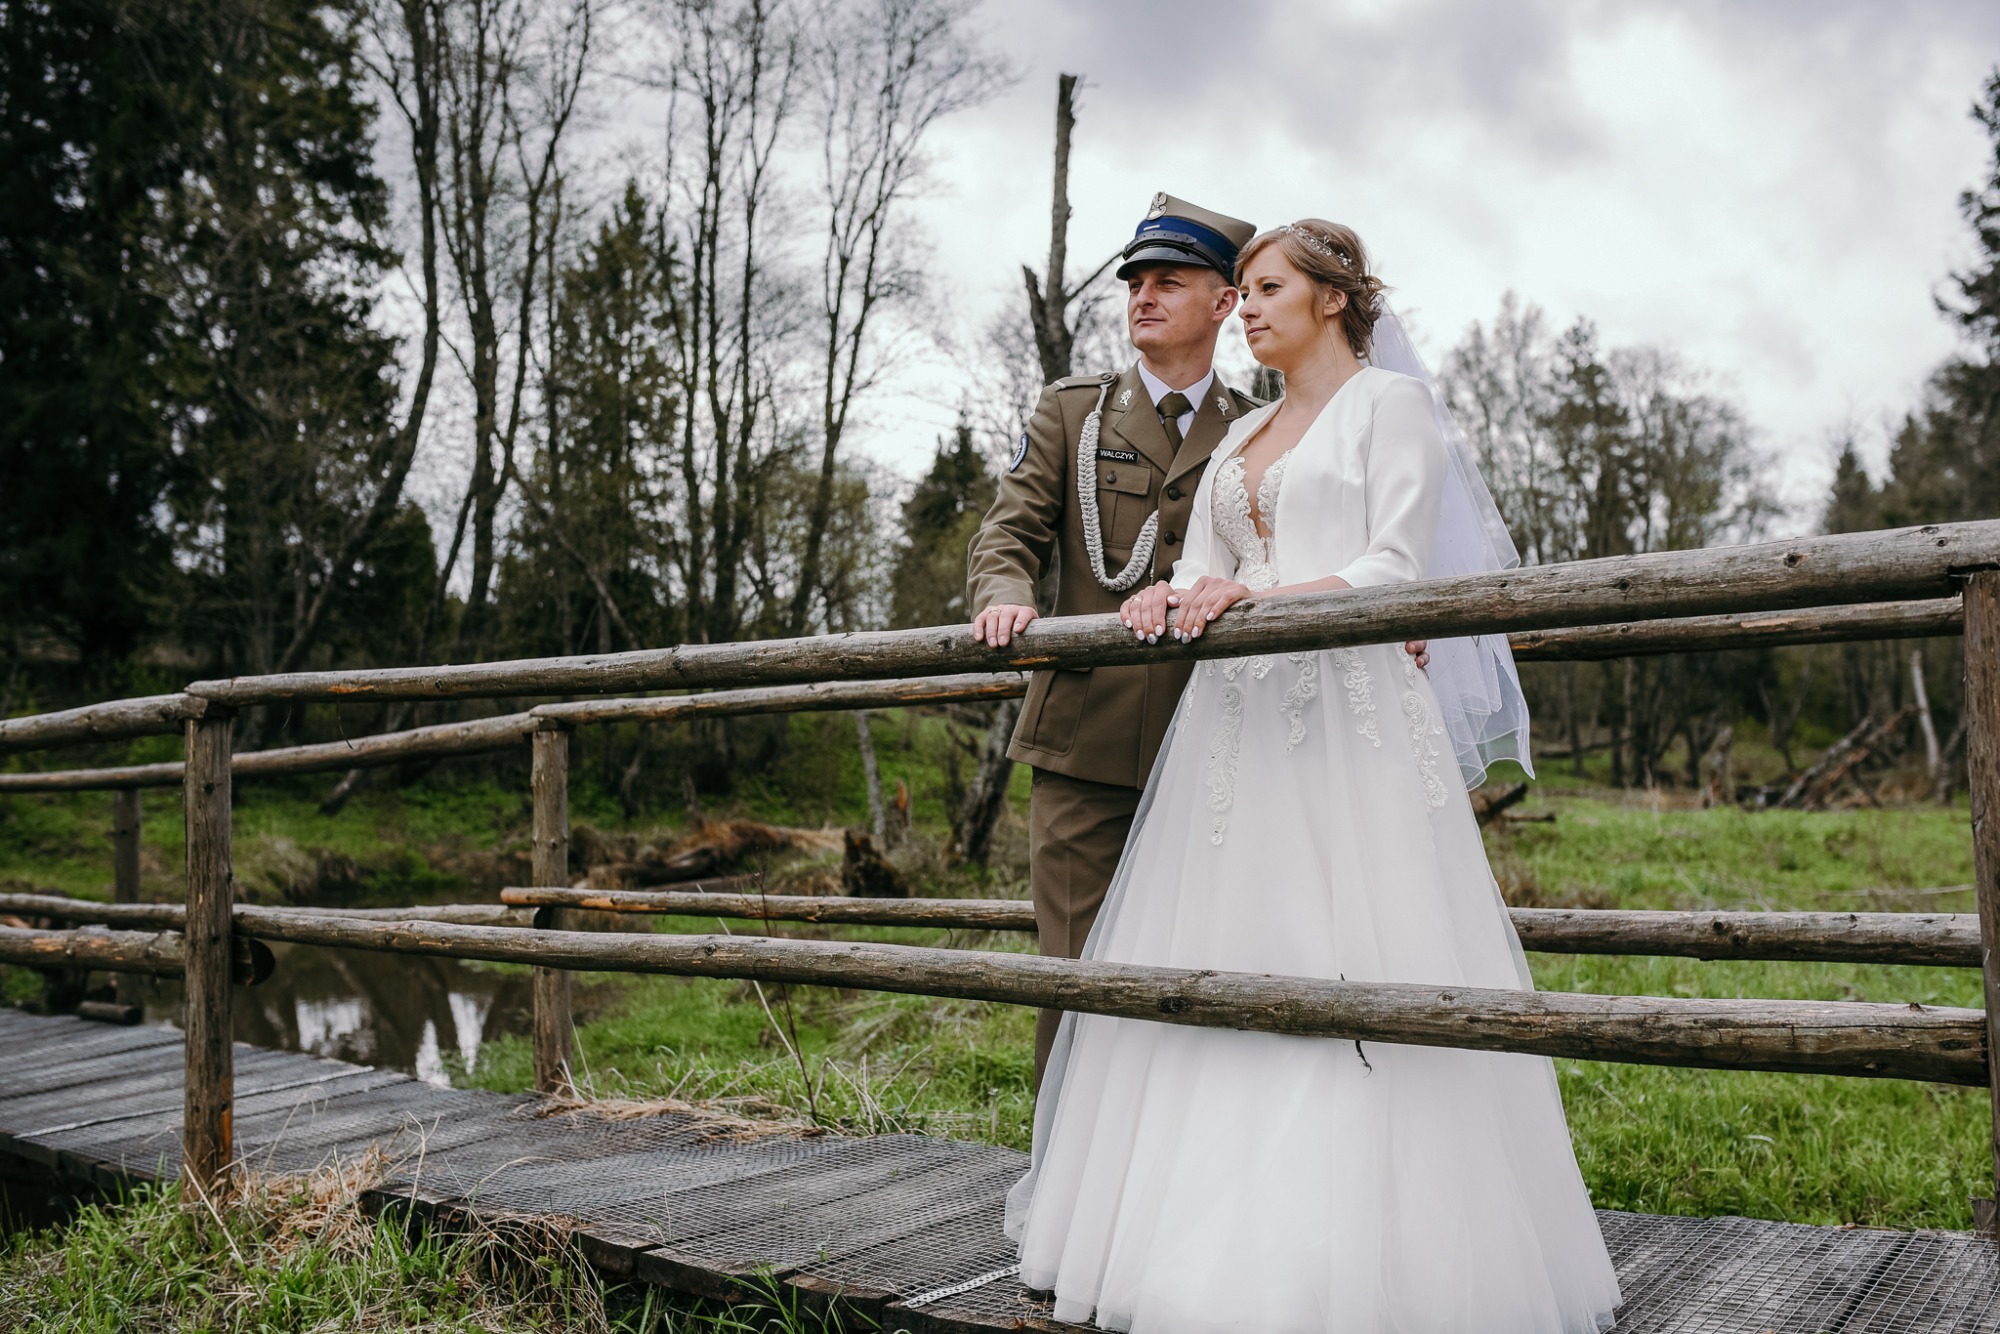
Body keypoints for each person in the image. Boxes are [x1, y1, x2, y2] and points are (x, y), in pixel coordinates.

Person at [1004, 220, 1621, 1333]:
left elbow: (1394, 562)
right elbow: (1202, 563)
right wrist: (1164, 595)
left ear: (1331, 297)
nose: (1243, 307)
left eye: (1263, 287)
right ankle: (1191, 1232)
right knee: (1220, 959)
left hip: (1351, 720)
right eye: (1236, 291)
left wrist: (1256, 601)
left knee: (1359, 953)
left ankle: (1385, 1254)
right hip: (1234, 734)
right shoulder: (1251, 431)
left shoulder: (1391, 407)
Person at [966, 194, 1265, 1084]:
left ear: (1224, 302)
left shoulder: (1256, 427)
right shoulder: (1074, 411)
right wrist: (1004, 596)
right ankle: (1065, 1190)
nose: (1143, 294)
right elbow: (1008, 530)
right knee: (1075, 975)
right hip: (1083, 740)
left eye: (1170, 280)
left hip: (1210, 738)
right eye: (1136, 280)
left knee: (1199, 973)